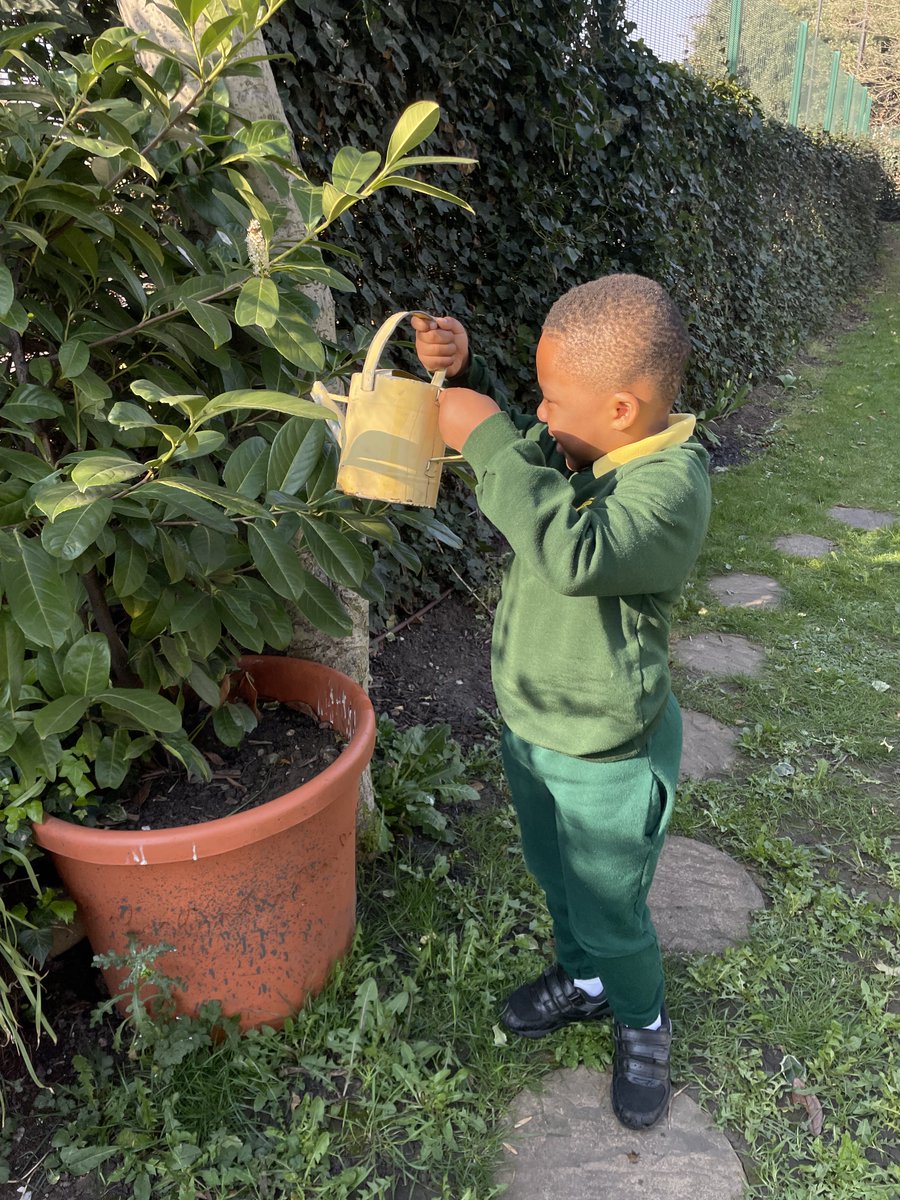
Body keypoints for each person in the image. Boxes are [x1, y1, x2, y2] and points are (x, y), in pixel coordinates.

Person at [412, 274, 711, 1130]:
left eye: (551, 399)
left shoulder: (670, 491)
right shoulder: (593, 446)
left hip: (608, 757)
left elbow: (573, 548)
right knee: (555, 877)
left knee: (612, 908)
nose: (540, 416)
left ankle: (642, 1018)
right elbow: (536, 459)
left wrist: (492, 443)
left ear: (623, 409)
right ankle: (582, 982)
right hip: (536, 732)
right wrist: (475, 386)